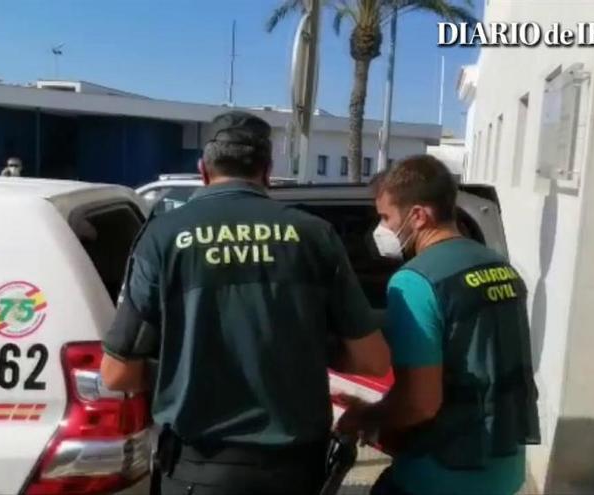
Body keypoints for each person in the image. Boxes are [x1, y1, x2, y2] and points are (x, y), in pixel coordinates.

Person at [100, 111, 391, 495]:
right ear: (268, 170)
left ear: (203, 170)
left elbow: (116, 374)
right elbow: (373, 360)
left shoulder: (163, 237)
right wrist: (305, 349)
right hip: (294, 474)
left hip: (196, 472)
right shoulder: (315, 236)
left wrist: (180, 364)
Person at [337, 155, 540, 495]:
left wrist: (365, 418)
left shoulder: (416, 280)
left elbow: (420, 402)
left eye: (386, 217)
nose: (381, 229)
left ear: (418, 215)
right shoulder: (501, 267)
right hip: (503, 468)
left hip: (440, 472)